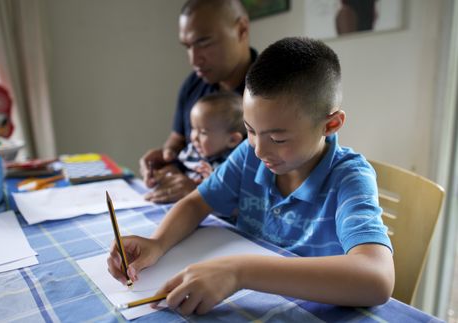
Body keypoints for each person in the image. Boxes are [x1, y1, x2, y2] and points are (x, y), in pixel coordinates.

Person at [108, 37, 394, 316]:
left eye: (278, 139)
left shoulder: (349, 177)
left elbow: (377, 278)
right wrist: (157, 244)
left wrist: (239, 271)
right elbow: (197, 203)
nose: (258, 150)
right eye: (251, 130)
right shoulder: (248, 155)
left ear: (330, 125)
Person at [140, 0, 256, 203]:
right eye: (187, 46)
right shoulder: (193, 84)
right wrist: (167, 158)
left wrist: (201, 191)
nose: (194, 60)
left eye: (204, 42)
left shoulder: (273, 91)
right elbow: (178, 140)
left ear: (241, 29)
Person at [175, 92, 245, 182]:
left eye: (203, 132)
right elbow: (177, 165)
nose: (194, 137)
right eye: (193, 128)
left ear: (232, 140)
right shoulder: (192, 151)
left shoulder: (233, 164)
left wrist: (212, 179)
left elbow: (229, 191)